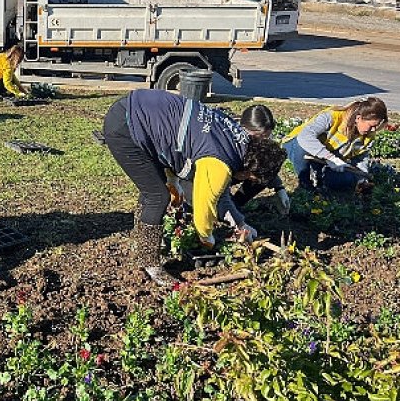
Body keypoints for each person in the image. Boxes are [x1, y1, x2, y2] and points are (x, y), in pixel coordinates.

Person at [103, 89, 286, 283]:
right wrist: (208, 239)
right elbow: (203, 210)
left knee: (153, 190)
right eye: (251, 179)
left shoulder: (236, 138)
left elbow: (218, 191)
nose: (245, 181)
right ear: (251, 171)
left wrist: (240, 223)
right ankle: (150, 263)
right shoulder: (219, 165)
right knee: (157, 196)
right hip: (127, 127)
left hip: (139, 109)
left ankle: (141, 244)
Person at [282, 97, 388, 193]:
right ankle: (305, 183)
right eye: (371, 125)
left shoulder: (369, 134)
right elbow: (304, 137)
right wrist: (330, 158)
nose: (373, 130)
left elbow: (360, 158)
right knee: (302, 147)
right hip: (297, 146)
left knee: (346, 179)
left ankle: (318, 175)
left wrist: (361, 179)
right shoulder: (333, 116)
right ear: (358, 118)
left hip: (324, 159)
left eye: (376, 126)